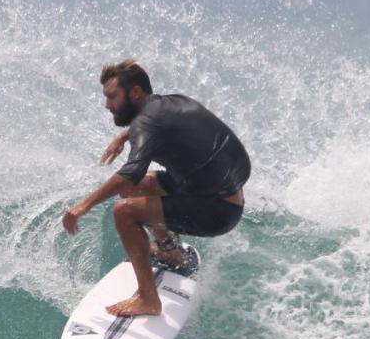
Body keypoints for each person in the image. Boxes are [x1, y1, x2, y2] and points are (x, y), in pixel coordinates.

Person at [62, 59, 251, 317]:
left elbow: (131, 172)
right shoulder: (171, 102)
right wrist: (122, 137)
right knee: (135, 189)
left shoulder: (146, 124)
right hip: (213, 188)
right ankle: (171, 254)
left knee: (124, 211)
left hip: (217, 211)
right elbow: (155, 127)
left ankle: (148, 300)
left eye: (112, 97)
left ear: (136, 92)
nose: (107, 105)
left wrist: (84, 206)